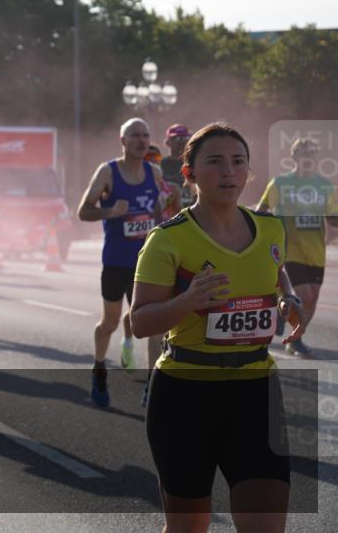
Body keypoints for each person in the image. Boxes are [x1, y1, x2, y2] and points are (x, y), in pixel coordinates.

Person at [131, 122, 306, 533]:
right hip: (185, 394)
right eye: (215, 162)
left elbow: (276, 271)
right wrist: (185, 302)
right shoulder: (167, 240)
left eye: (238, 162)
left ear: (248, 173)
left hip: (255, 391)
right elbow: (140, 321)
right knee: (188, 527)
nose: (228, 172)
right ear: (188, 173)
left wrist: (288, 300)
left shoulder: (270, 228)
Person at [77, 118, 166, 407]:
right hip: (116, 261)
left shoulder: (154, 173)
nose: (141, 140)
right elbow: (83, 211)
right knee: (111, 322)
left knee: (155, 327)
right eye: (135, 135)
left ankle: (153, 386)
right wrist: (110, 212)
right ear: (123, 140)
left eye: (145, 135)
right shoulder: (108, 172)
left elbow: (158, 213)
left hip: (147, 263)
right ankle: (99, 368)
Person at [256, 137, 338, 357]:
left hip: (316, 251)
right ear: (294, 157)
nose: (308, 158)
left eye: (312, 154)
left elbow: (332, 219)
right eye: (303, 154)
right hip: (288, 249)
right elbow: (262, 210)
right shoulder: (280, 183)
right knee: (303, 294)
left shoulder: (324, 185)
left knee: (313, 296)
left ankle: (294, 333)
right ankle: (294, 336)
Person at [162, 124, 196, 209]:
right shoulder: (159, 166)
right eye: (177, 138)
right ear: (167, 142)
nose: (181, 142)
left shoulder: (195, 164)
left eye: (186, 138)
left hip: (191, 213)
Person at [146, 145, 183, 221]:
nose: (153, 160)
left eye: (156, 157)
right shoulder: (130, 189)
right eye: (148, 157)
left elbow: (179, 219)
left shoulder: (172, 190)